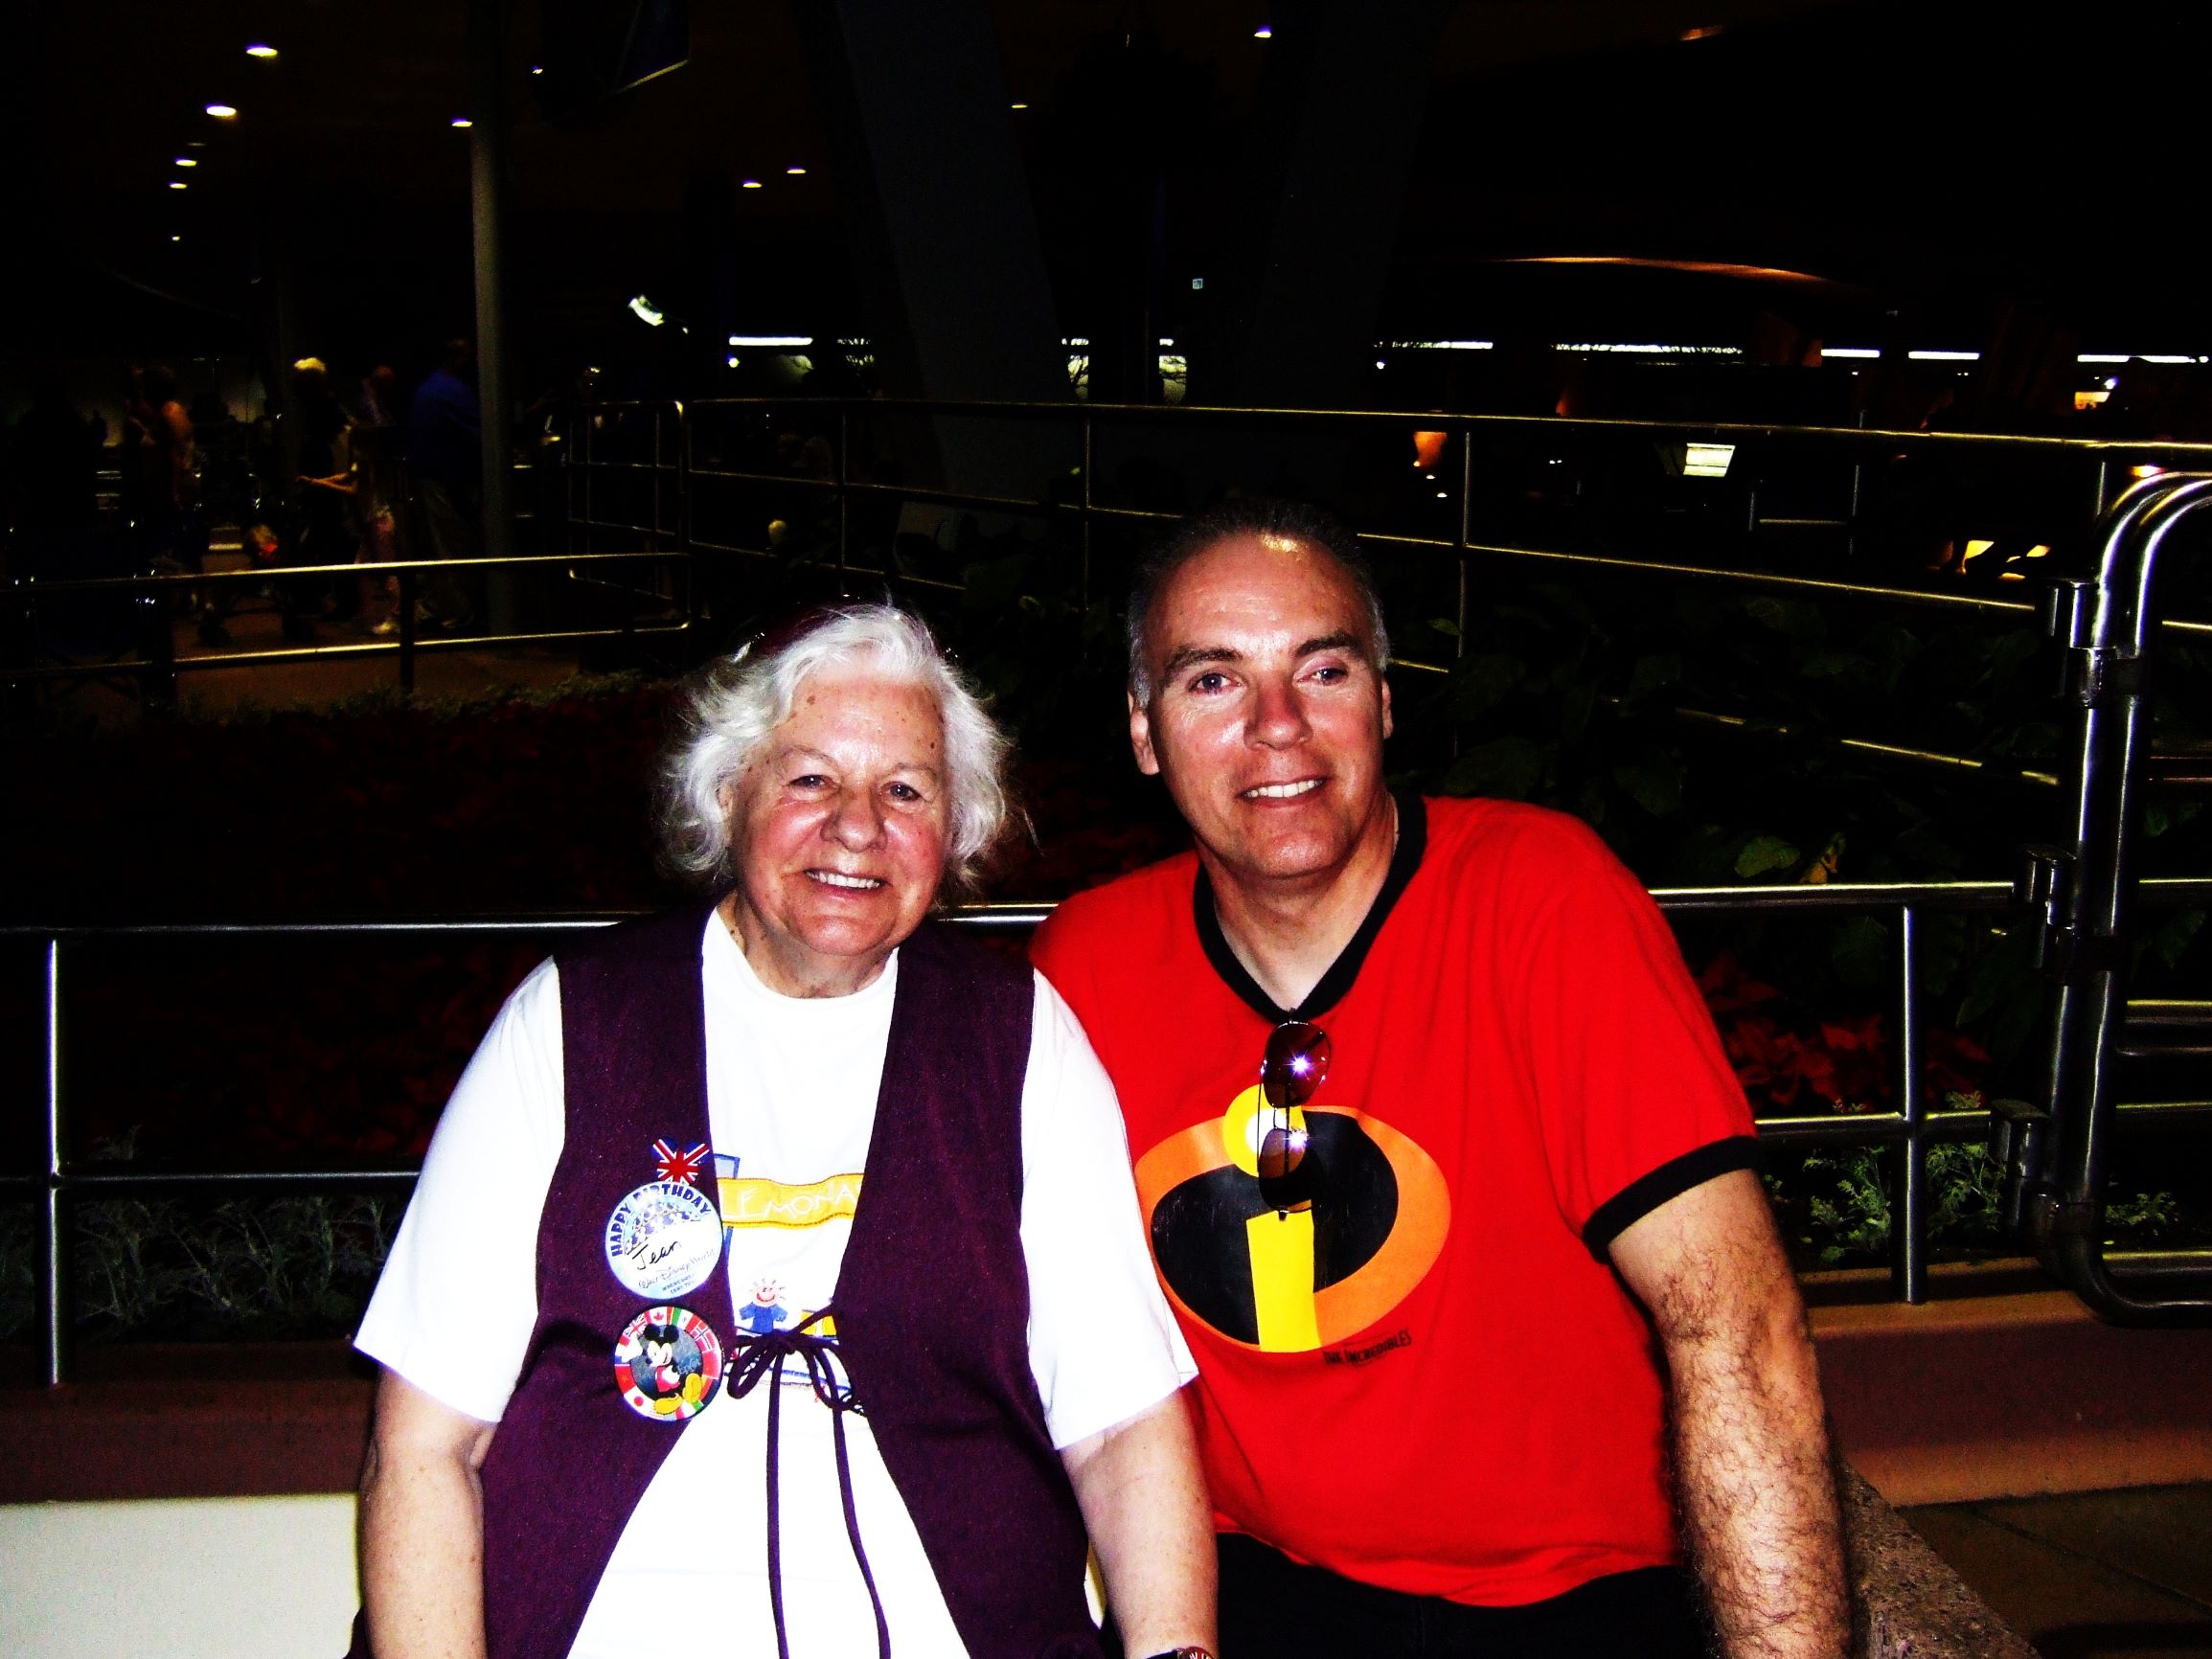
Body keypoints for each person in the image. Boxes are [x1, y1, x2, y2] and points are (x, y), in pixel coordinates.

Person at [1030, 498, 1848, 1659]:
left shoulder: (1537, 898)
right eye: (1211, 681)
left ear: (1383, 701)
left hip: (1562, 1594)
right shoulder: (1089, 965)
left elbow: (1731, 1319)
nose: (1276, 726)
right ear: (1143, 732)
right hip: (1247, 1582)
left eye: (1322, 669)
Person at [351, 603, 1218, 1659]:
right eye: (810, 779)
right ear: (729, 794)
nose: (857, 826)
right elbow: (424, 1446)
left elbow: (1123, 1427)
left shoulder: (1016, 1038)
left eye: (906, 790)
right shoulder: (576, 1022)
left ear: (953, 830)